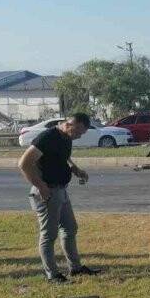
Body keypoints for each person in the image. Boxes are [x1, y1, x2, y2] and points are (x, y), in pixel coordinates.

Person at [17, 113, 100, 284]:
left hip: (61, 190)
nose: (79, 136)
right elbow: (24, 163)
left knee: (70, 228)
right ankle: (52, 275)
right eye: (78, 132)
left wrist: (76, 169)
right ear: (69, 124)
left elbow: (64, 157)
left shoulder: (66, 138)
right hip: (47, 192)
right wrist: (41, 186)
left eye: (82, 134)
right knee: (49, 235)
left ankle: (75, 268)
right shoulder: (47, 138)